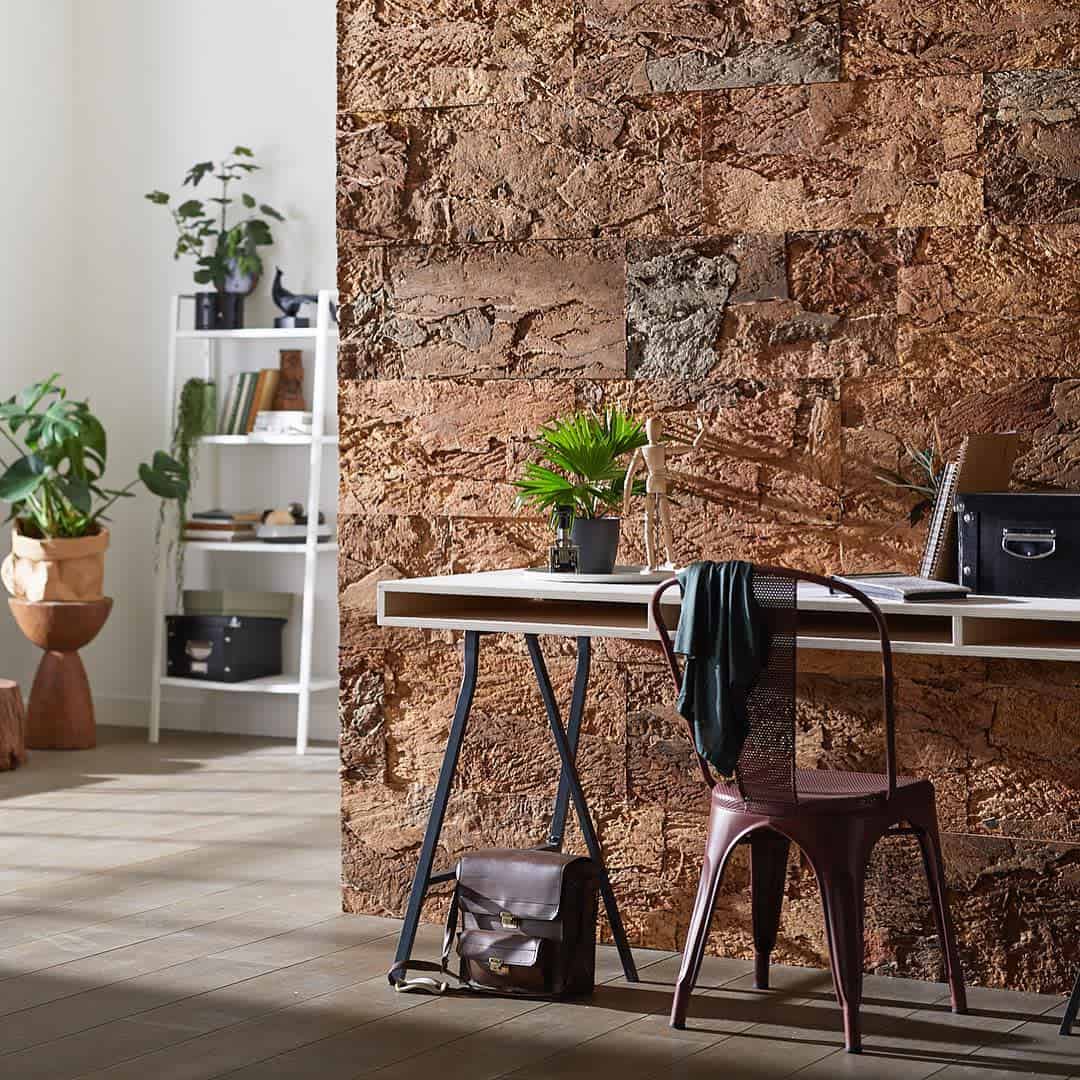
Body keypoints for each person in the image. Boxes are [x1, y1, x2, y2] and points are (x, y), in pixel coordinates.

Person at [622, 416, 705, 570]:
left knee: (656, 525)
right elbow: (693, 446)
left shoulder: (645, 450)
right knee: (659, 525)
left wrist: (626, 502)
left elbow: (629, 478)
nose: (652, 432)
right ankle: (656, 562)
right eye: (651, 429)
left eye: (653, 429)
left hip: (655, 485)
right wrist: (702, 429)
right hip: (658, 485)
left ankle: (661, 561)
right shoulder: (655, 449)